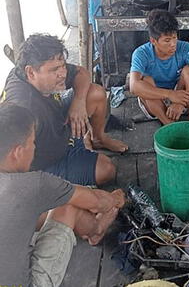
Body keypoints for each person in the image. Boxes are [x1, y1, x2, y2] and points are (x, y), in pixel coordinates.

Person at [0, 103, 125, 287]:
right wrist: (115, 198)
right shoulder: (34, 184)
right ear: (17, 152)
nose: (35, 148)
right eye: (32, 143)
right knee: (67, 206)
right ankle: (96, 229)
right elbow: (98, 202)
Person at [2, 33, 126, 186]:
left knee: (95, 93)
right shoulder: (24, 109)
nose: (63, 73)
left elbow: (81, 72)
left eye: (63, 66)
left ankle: (97, 139)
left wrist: (79, 102)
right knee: (107, 170)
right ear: (31, 72)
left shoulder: (23, 72)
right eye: (54, 70)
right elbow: (11, 162)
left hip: (59, 126)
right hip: (46, 162)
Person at [129, 9, 189, 125]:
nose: (173, 44)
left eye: (174, 38)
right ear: (153, 41)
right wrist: (170, 95)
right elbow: (133, 86)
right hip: (154, 101)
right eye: (167, 40)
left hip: (180, 95)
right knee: (146, 80)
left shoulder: (185, 47)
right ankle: (170, 125)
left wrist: (180, 102)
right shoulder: (141, 53)